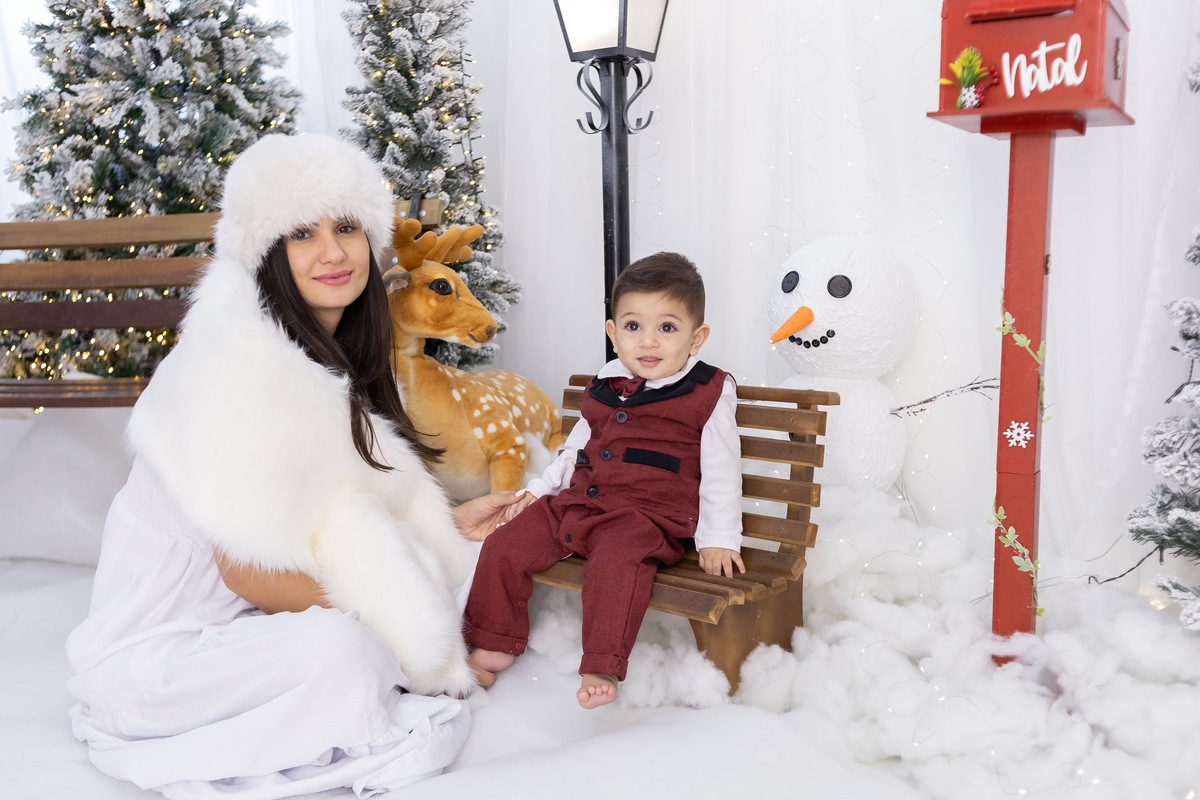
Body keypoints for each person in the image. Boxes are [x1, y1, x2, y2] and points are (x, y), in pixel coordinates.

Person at [65, 133, 520, 799]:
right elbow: (255, 573)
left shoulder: (325, 361)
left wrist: (443, 528)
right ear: (267, 253)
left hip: (243, 634)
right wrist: (409, 624)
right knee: (346, 650)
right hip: (161, 659)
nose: (332, 252)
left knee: (463, 576)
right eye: (301, 232)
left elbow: (332, 515)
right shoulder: (236, 367)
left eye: (346, 227)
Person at [464, 252, 745, 709]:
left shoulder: (708, 390)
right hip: (580, 503)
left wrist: (719, 537)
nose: (648, 341)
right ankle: (493, 640)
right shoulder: (607, 380)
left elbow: (721, 469)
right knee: (504, 546)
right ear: (614, 333)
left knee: (615, 567)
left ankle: (601, 664)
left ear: (697, 338)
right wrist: (539, 491)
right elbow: (577, 448)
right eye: (633, 327)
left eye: (668, 328)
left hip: (646, 519)